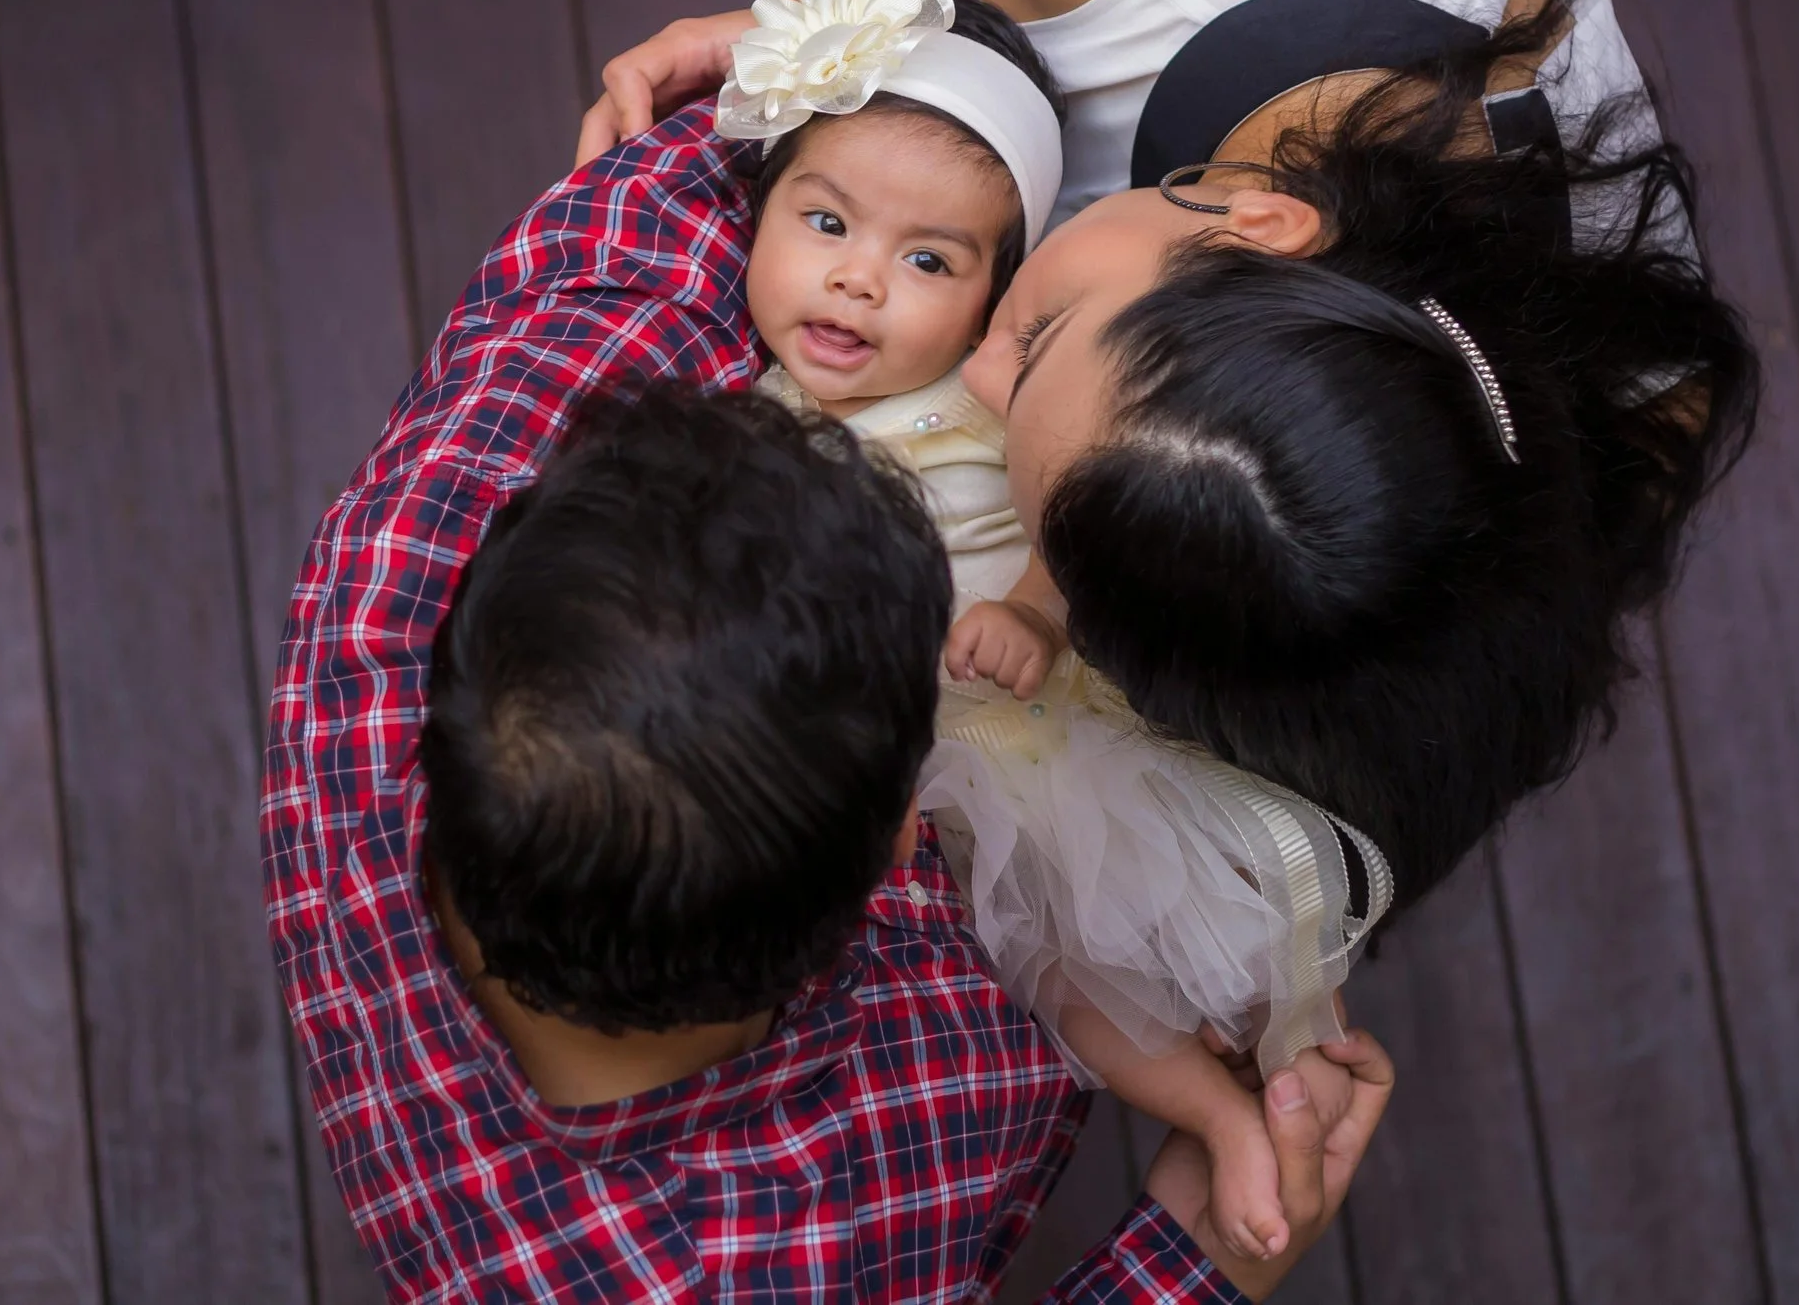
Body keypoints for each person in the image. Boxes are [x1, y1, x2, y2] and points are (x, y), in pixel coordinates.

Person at [575, 0, 1761, 922]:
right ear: (1260, 219)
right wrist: (823, 51)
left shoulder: (1521, 531)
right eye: (1035, 339)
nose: (971, 368)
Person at [264, 103, 1393, 1302]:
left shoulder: (381, 608)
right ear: (905, 845)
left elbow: (638, 226)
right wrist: (1198, 1263)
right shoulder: (776, 1260)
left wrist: (815, 75)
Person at [711, 0, 1388, 1261]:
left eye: (928, 257)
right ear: (763, 213)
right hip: (908, 771)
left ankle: (1263, 1083)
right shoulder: (745, 420)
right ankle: (1231, 1100)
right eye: (826, 223)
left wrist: (1031, 609)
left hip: (1032, 741)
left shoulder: (989, 399)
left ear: (993, 293)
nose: (856, 282)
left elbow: (1084, 519)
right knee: (1043, 966)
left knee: (1155, 947)